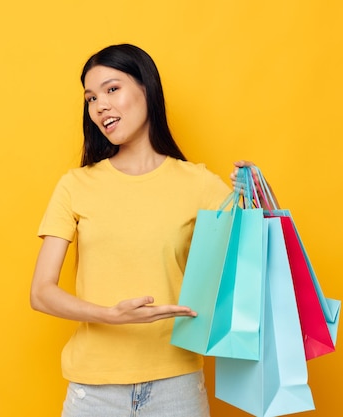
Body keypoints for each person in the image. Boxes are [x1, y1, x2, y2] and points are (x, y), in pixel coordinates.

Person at [30, 43, 271, 417]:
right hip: (94, 392)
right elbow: (41, 292)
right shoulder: (75, 185)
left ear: (147, 88)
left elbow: (256, 265)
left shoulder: (199, 183)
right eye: (91, 98)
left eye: (112, 89)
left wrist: (259, 199)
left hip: (177, 388)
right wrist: (111, 315)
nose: (100, 106)